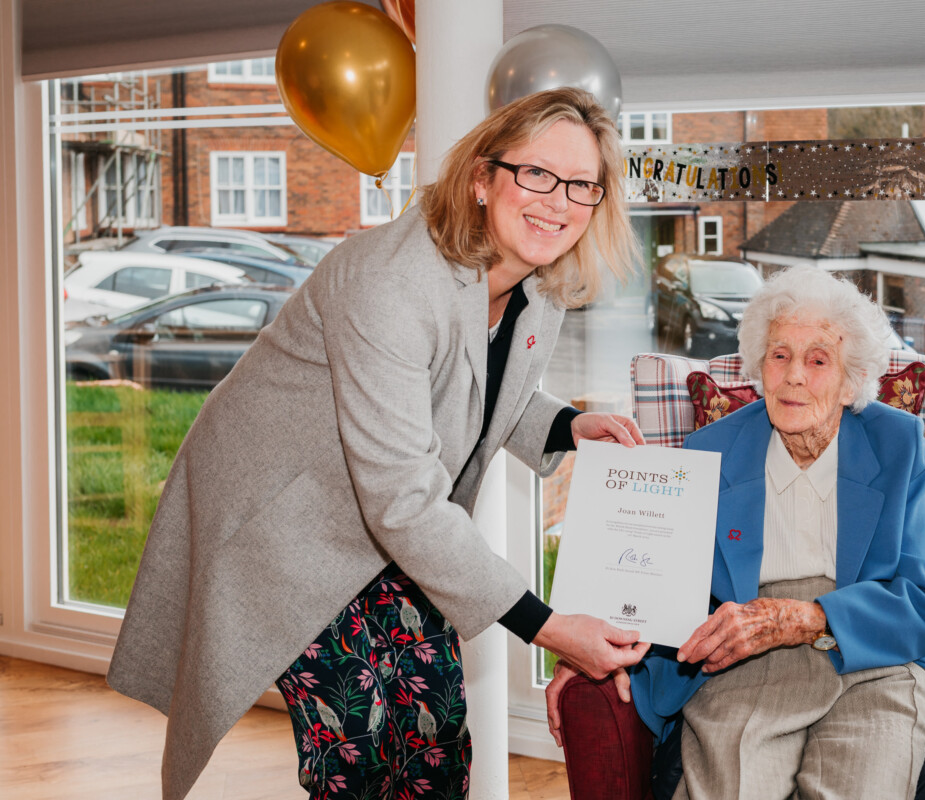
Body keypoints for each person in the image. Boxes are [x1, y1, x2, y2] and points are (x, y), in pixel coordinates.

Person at [107, 87, 651, 800]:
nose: (558, 200)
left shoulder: (538, 283)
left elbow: (470, 387)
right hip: (288, 516)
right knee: (357, 748)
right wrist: (546, 627)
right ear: (482, 179)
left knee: (434, 732)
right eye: (537, 173)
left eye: (582, 184)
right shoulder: (390, 279)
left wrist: (565, 424)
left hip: (389, 515)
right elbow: (403, 499)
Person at [546, 267, 925, 800]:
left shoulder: (897, 446)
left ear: (851, 378)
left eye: (818, 360)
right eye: (780, 355)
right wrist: (585, 648)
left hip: (879, 654)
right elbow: (654, 581)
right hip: (747, 658)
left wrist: (808, 618)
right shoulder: (709, 454)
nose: (793, 377)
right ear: (759, 366)